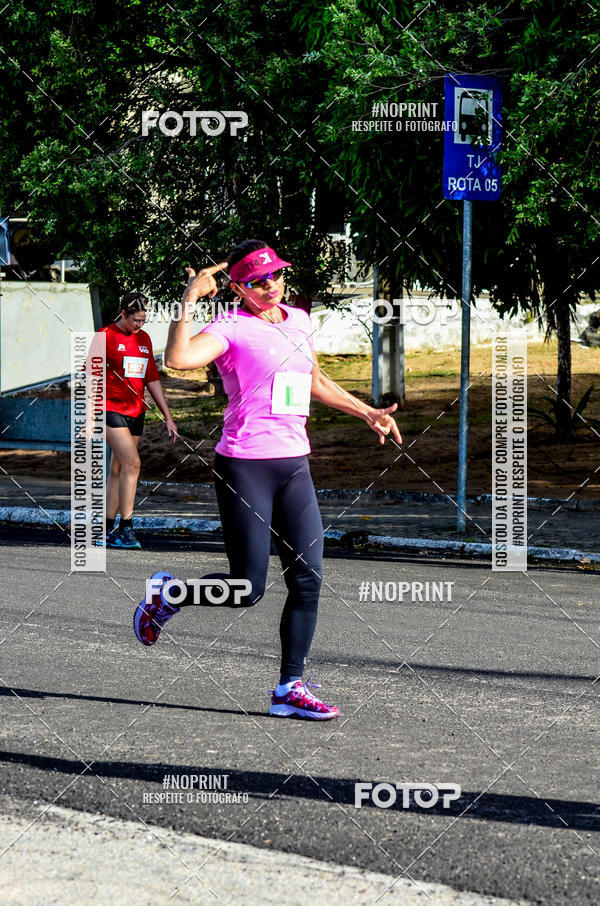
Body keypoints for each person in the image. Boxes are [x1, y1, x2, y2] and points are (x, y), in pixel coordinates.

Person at [133, 240, 401, 719]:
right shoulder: (229, 328)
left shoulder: (298, 320)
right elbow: (179, 359)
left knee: (308, 578)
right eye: (256, 281)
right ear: (237, 287)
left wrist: (367, 412)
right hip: (245, 465)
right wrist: (189, 301)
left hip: (294, 464)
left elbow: (313, 379)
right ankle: (168, 594)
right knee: (247, 589)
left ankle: (288, 689)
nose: (269, 285)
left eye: (274, 275)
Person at [99, 292, 177, 549]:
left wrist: (167, 415)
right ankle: (126, 528)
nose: (140, 325)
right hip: (110, 408)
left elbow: (151, 379)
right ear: (123, 314)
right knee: (133, 463)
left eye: (144, 320)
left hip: (136, 410)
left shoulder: (144, 338)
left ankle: (106, 530)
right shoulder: (105, 336)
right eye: (136, 320)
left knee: (118, 470)